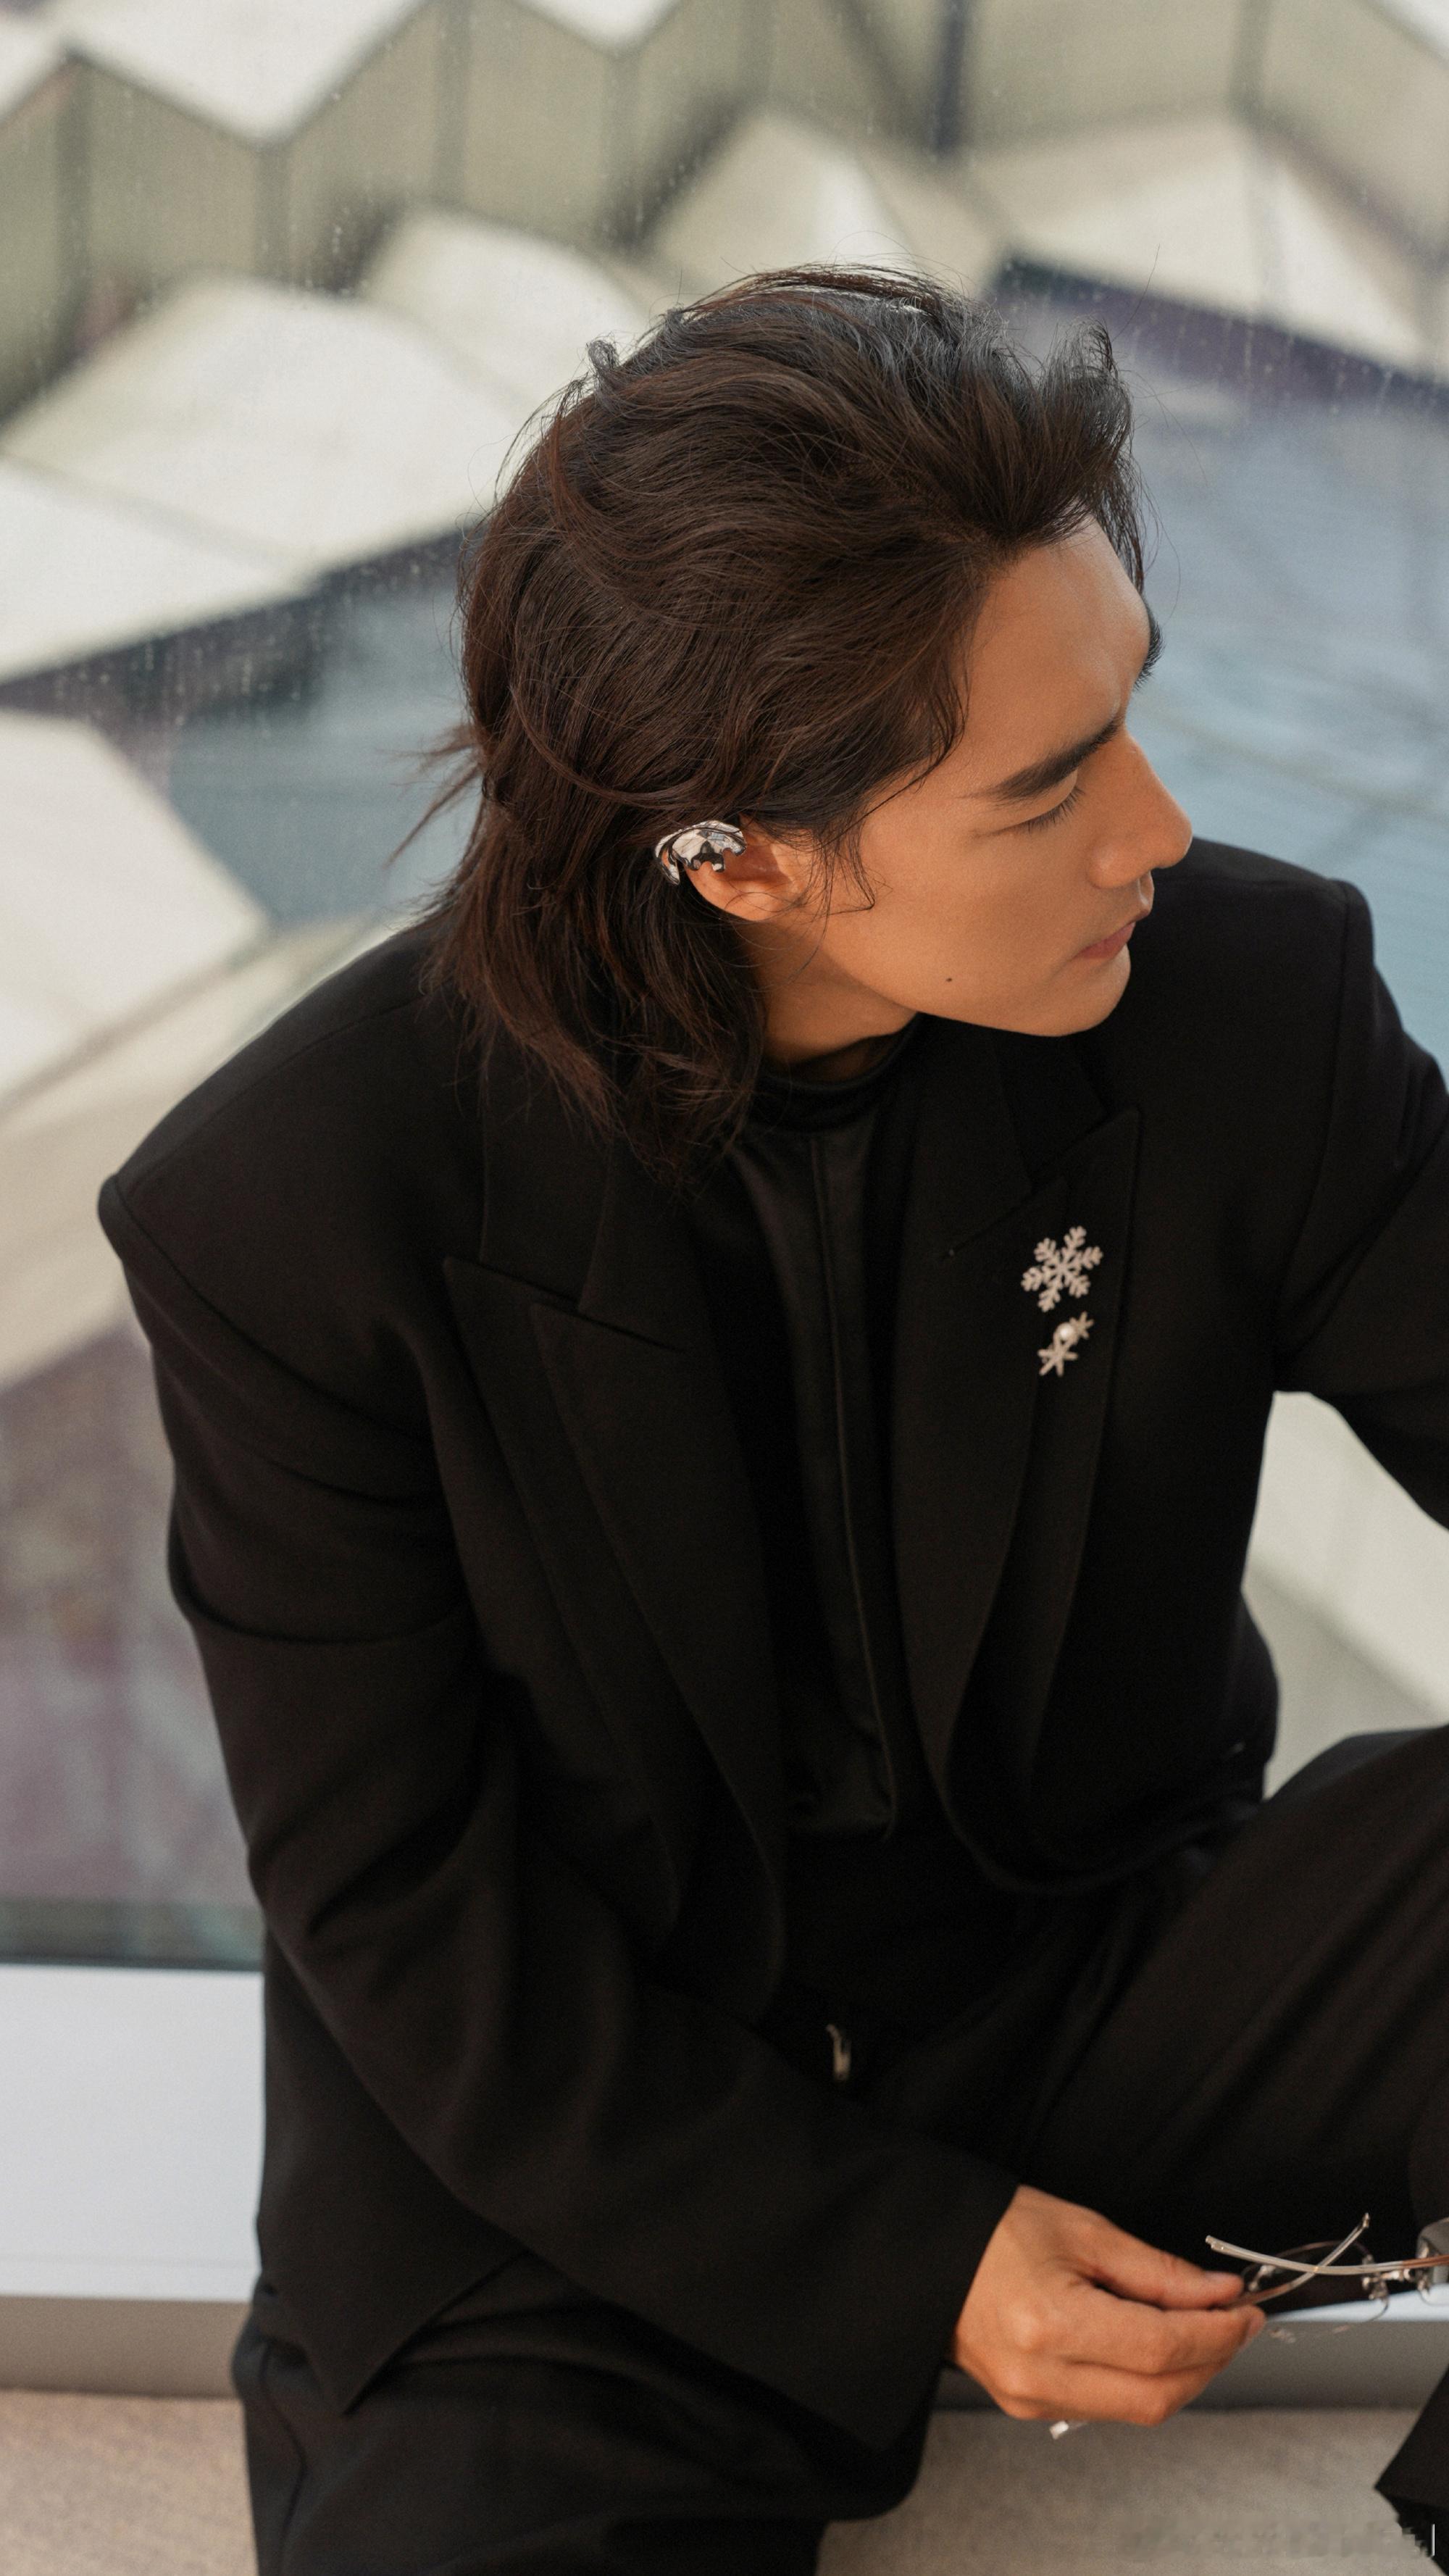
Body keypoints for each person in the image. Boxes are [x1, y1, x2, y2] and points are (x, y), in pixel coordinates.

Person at [99, 268, 1449, 2572]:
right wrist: (918, 2261)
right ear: (735, 854)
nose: (1155, 827)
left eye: (1127, 715)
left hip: (1088, 1992)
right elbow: (408, 1918)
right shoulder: (302, 1211)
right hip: (586, 2185)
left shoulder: (1244, 1001)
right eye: (1047, 788)